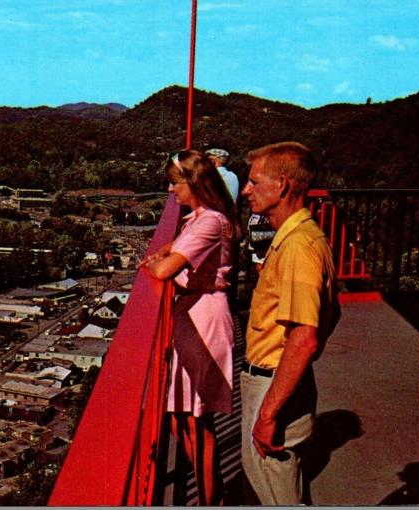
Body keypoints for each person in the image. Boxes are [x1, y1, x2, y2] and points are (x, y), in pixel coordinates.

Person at [239, 141, 340, 505]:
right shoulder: (304, 238)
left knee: (276, 490)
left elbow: (305, 338)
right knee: (278, 484)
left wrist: (268, 413)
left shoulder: (298, 248)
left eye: (254, 181)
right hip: (281, 380)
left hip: (272, 383)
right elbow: (332, 313)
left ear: (281, 185)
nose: (246, 190)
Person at [141, 149, 240, 505]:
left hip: (205, 320)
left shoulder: (210, 221)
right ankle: (213, 491)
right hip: (193, 315)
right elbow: (172, 248)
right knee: (180, 415)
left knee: (197, 423)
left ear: (193, 182)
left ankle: (212, 499)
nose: (171, 191)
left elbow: (165, 269)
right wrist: (162, 255)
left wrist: (155, 264)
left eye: (175, 182)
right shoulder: (198, 218)